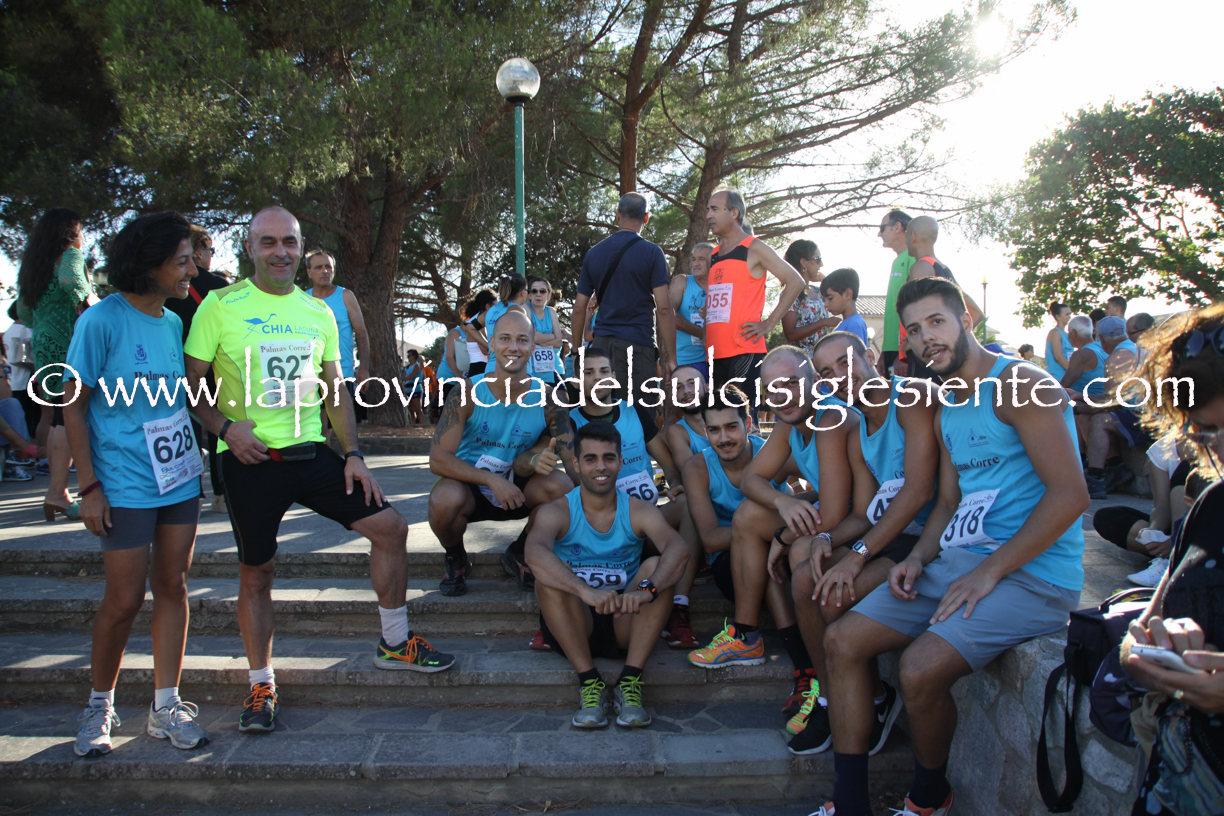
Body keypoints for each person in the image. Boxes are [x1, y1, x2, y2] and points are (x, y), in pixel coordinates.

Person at [815, 276, 1088, 816]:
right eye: (914, 331)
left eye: (936, 322)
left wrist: (990, 571)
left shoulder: (1019, 383)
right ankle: (849, 804)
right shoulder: (949, 403)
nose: (926, 339)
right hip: (958, 562)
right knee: (842, 641)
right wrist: (918, 558)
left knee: (918, 669)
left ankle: (928, 800)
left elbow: (1071, 495)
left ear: (966, 319)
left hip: (1033, 573)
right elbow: (945, 501)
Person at [184, 206, 453, 736]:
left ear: (301, 248)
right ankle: (261, 682)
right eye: (267, 242)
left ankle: (395, 643)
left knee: (391, 528)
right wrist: (226, 429)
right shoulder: (219, 305)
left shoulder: (318, 311)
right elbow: (191, 385)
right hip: (251, 461)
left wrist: (353, 454)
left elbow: (334, 390)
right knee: (257, 572)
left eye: (288, 242)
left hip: (311, 454)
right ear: (250, 248)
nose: (279, 251)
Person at [63, 211, 208, 758]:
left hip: (178, 479)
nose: (192, 270)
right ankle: (99, 704)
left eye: (191, 259)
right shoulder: (100, 321)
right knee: (123, 599)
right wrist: (89, 487)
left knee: (173, 586)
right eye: (182, 261)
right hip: (122, 484)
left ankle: (165, 706)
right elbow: (72, 408)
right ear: (150, 265)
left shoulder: (172, 324)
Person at [785, 331, 939, 758]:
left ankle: (872, 697)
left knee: (835, 594)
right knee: (805, 578)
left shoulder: (910, 398)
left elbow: (918, 493)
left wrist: (857, 555)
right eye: (827, 372)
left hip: (929, 538)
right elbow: (865, 513)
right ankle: (832, 698)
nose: (840, 376)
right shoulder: (857, 429)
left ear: (870, 356)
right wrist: (826, 538)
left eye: (846, 363)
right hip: (890, 535)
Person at [689, 346, 855, 726]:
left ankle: (812, 675)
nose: (782, 394)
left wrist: (782, 535)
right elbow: (752, 481)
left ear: (814, 381)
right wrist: (784, 501)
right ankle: (750, 637)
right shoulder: (787, 424)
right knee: (751, 517)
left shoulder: (829, 420)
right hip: (785, 538)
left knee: (786, 549)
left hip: (856, 527)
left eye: (792, 382)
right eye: (773, 387)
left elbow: (835, 511)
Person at [1119, 302, 1224, 816]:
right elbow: (1138, 634)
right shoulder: (1212, 506)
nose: (1219, 449)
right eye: (1203, 433)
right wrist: (1146, 655)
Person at [525, 421, 691, 729]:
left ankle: (631, 681)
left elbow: (678, 548)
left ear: (620, 461)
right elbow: (534, 553)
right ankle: (589, 682)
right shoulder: (557, 510)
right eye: (590, 459)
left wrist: (648, 590)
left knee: (657, 567)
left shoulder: (638, 510)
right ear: (576, 464)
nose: (600, 467)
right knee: (549, 576)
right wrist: (583, 590)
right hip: (574, 618)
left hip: (623, 617)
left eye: (609, 458)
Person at [428, 309, 574, 596]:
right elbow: (438, 459)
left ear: (533, 346)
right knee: (443, 499)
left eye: (522, 340)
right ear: (492, 343)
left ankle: (520, 552)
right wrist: (491, 480)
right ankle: (456, 556)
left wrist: (609, 510)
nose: (513, 347)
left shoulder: (550, 398)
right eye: (505, 338)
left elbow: (572, 461)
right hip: (471, 488)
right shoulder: (466, 392)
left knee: (563, 488)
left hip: (521, 488)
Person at [564, 349, 701, 648]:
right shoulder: (569, 423)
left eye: (604, 371)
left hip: (645, 523)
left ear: (614, 377)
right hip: (601, 530)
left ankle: (679, 607)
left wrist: (676, 484)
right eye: (588, 372)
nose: (598, 378)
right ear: (576, 381)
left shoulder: (634, 412)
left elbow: (667, 462)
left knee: (688, 507)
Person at [682, 384, 798, 639]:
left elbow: (824, 483)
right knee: (761, 553)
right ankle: (794, 649)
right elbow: (710, 540)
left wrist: (800, 499)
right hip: (731, 563)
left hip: (783, 551)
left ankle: (750, 640)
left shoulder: (772, 455)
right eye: (714, 430)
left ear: (748, 423)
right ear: (706, 432)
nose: (724, 438)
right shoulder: (697, 468)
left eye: (731, 427)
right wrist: (757, 535)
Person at [16, 208, 94, 521]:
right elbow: (73, 282)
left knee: (58, 416)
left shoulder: (33, 266)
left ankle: (57, 490)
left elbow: (24, 313)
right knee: (69, 416)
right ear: (70, 232)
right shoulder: (70, 255)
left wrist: (47, 321)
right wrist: (90, 305)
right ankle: (58, 492)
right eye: (81, 230)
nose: (83, 237)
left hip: (43, 343)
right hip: (70, 342)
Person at [573, 193, 677, 406]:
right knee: (640, 416)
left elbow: (579, 309)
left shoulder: (594, 254)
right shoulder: (652, 253)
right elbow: (664, 309)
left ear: (618, 214)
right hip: (637, 346)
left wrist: (576, 353)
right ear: (646, 217)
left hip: (600, 348)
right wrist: (671, 358)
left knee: (600, 413)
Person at [704, 190, 804, 408]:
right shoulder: (715, 254)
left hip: (744, 349)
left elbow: (795, 281)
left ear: (734, 213)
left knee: (740, 417)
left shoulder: (754, 247)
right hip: (714, 352)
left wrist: (769, 323)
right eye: (707, 210)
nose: (708, 215)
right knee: (718, 417)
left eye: (714, 209)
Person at [164, 224, 231, 515]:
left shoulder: (168, 284)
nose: (211, 255)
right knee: (217, 428)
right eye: (210, 250)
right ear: (199, 250)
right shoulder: (217, 284)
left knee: (181, 426)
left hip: (172, 363)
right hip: (211, 365)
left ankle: (188, 489)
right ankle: (221, 493)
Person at [1073, 315, 1142, 498]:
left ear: (1101, 339)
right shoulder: (1134, 348)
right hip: (1149, 412)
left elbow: (1110, 404)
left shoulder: (1117, 358)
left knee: (1099, 420)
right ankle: (1114, 465)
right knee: (1089, 413)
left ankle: (1095, 478)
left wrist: (1078, 404)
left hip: (1145, 418)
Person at [306, 249, 371, 424]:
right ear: (309, 272)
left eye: (328, 267)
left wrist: (364, 368)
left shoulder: (345, 296)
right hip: (311, 374)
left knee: (341, 427)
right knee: (318, 427)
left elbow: (362, 333)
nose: (325, 271)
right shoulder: (303, 299)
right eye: (318, 267)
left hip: (342, 372)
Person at [781, 239, 839, 360]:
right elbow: (790, 335)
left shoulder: (818, 291)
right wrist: (823, 323)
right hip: (803, 361)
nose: (821, 264)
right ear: (804, 262)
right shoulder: (790, 294)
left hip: (824, 359)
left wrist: (825, 280)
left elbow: (839, 294)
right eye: (818, 259)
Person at [878, 209, 915, 375]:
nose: (879, 234)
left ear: (897, 227)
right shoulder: (897, 261)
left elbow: (914, 309)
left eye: (882, 228)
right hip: (892, 351)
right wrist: (885, 350)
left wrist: (903, 354)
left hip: (905, 353)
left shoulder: (914, 258)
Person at [670, 243, 711, 379]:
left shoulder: (721, 285)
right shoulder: (682, 281)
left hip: (716, 360)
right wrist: (702, 333)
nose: (696, 263)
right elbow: (669, 314)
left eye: (701, 259)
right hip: (686, 360)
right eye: (693, 259)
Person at [662, 365, 712, 469]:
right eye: (678, 387)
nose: (686, 391)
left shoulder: (729, 416)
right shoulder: (677, 432)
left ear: (707, 387)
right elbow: (691, 472)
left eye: (692, 383)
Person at [3, 303, 39, 444]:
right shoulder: (26, 331)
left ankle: (22, 447)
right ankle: (34, 447)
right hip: (28, 379)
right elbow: (35, 351)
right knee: (35, 417)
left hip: (14, 381)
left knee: (22, 419)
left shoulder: (8, 332)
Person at [482, 274, 530, 375]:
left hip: (491, 366)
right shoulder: (517, 310)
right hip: (511, 365)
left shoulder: (492, 310)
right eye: (527, 290)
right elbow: (524, 337)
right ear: (522, 292)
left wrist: (487, 344)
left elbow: (471, 326)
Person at [526, 276, 564, 386]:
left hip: (554, 369)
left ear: (549, 295)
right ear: (529, 295)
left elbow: (559, 343)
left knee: (561, 396)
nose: (538, 294)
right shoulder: (526, 308)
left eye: (542, 291)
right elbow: (531, 337)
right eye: (534, 291)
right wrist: (552, 336)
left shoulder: (551, 312)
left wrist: (537, 339)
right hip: (532, 371)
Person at [820, 268, 869, 347]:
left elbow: (853, 354)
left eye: (830, 298)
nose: (826, 304)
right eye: (824, 300)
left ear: (847, 294)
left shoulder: (854, 325)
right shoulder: (848, 323)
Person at [462, 290, 496, 377]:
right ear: (488, 306)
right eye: (495, 305)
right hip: (480, 368)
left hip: (476, 368)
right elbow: (485, 351)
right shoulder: (479, 325)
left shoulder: (475, 320)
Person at [1043, 301, 1075, 382]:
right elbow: (1059, 357)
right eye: (1067, 314)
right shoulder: (1055, 332)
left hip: (1066, 377)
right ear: (1058, 316)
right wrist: (1074, 372)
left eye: (1070, 314)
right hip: (1057, 377)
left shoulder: (1067, 335)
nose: (1069, 317)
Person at [402, 349, 425, 425]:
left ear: (414, 356)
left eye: (409, 355)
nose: (408, 357)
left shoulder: (417, 365)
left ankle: (422, 425)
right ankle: (413, 424)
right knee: (411, 410)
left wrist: (404, 378)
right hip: (408, 389)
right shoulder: (407, 367)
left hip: (416, 389)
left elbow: (411, 376)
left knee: (418, 409)